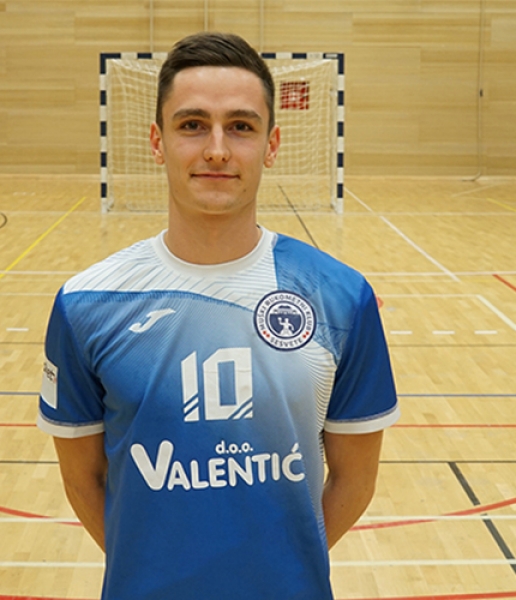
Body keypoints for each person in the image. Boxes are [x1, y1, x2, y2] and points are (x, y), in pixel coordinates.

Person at [37, 31, 399, 600]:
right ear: (157, 141)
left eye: (240, 126)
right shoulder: (87, 303)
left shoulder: (340, 298)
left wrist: (276, 572)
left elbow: (355, 479)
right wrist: (157, 575)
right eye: (192, 125)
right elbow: (82, 479)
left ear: (271, 145)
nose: (216, 150)